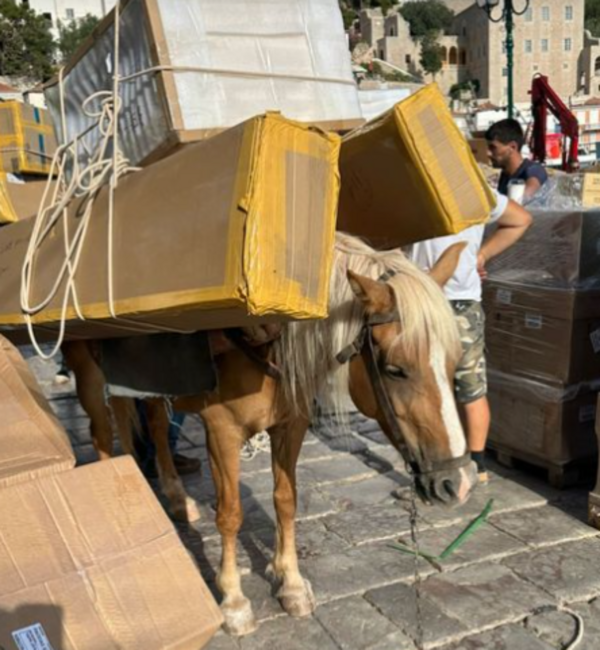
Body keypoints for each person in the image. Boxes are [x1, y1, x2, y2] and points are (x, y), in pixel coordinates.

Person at [409, 190, 532, 483]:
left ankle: (465, 466)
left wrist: (482, 254)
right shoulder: (474, 189)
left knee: (434, 387)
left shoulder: (416, 184)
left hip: (429, 302)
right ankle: (474, 466)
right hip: (452, 302)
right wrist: (481, 255)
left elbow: (521, 219)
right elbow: (520, 219)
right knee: (470, 385)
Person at [485, 119, 548, 200]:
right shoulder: (506, 175)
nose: (488, 153)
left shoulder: (533, 170)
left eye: (493, 148)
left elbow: (520, 200)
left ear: (513, 147)